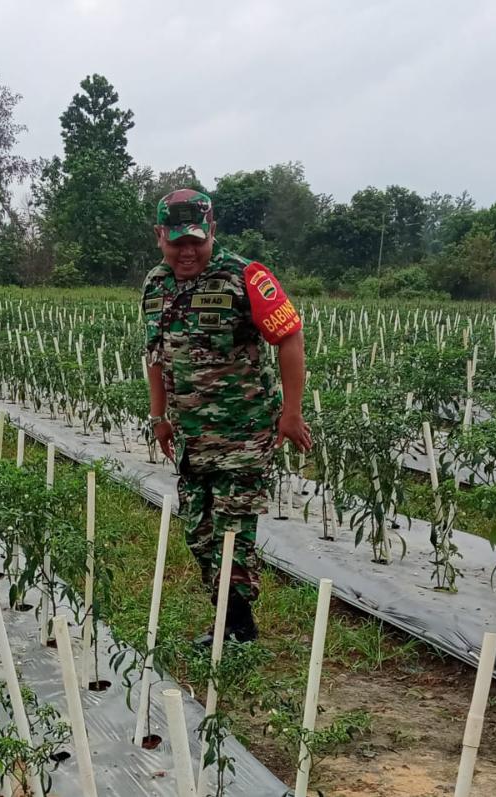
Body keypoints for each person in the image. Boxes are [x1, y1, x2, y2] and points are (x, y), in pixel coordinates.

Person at [142, 188, 313, 645]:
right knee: (199, 532)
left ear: (212, 232)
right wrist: (159, 416)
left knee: (232, 529)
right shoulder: (155, 285)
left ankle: (236, 626)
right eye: (177, 242)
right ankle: (227, 617)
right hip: (191, 436)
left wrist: (291, 413)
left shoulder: (245, 276)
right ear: (160, 236)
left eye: (196, 241)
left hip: (243, 434)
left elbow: (290, 338)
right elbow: (155, 354)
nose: (187, 251)